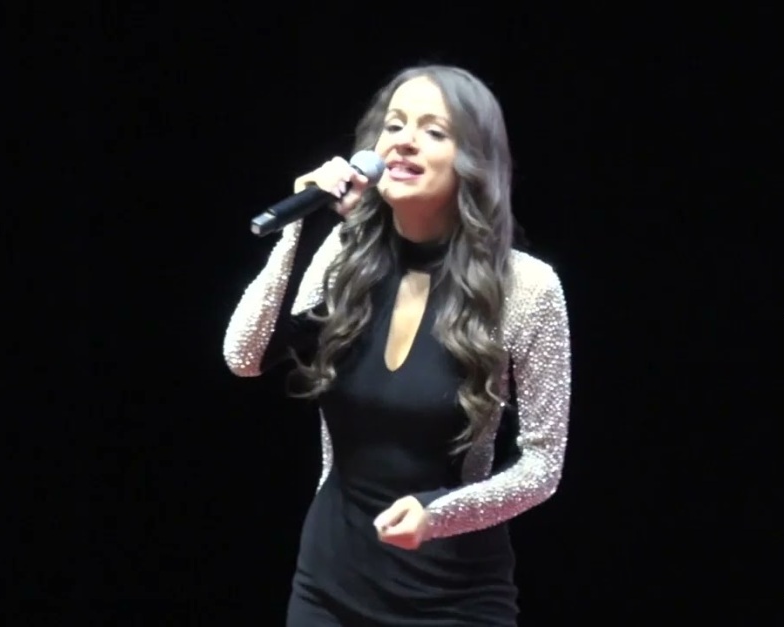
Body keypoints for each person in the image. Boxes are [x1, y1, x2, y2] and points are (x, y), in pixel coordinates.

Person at [222, 64, 572, 626]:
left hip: (453, 597)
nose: (404, 140)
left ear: (472, 161)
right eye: (394, 124)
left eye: (433, 130)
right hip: (328, 585)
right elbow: (245, 356)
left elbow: (542, 466)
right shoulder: (346, 255)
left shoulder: (526, 288)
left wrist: (439, 513)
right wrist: (299, 229)